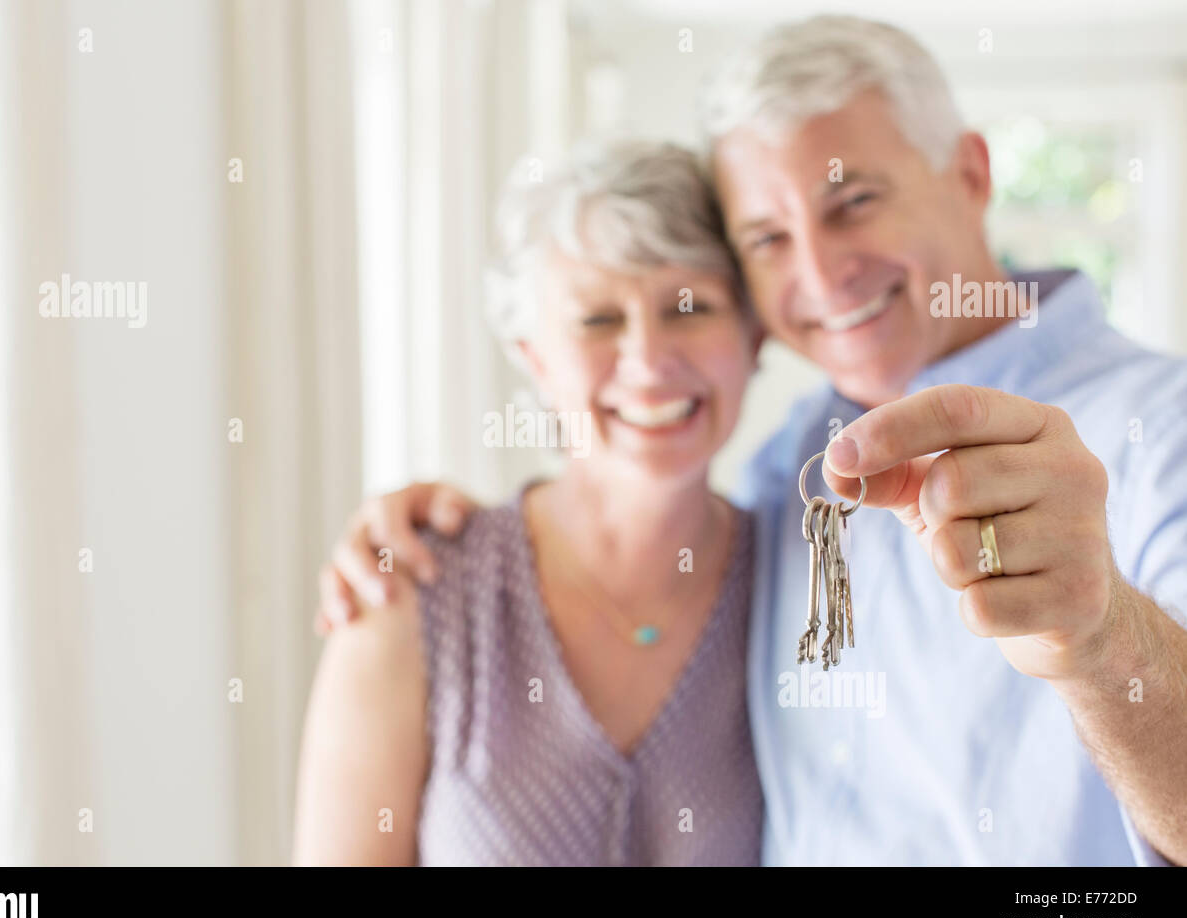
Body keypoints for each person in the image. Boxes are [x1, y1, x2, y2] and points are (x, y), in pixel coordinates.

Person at [318, 15, 1187, 865]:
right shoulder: (796, 469)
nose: (817, 274)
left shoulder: (1163, 429)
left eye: (854, 202)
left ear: (970, 170)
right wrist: (420, 526)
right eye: (768, 239)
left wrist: (1107, 638)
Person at [294, 141, 764, 865]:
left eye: (690, 307)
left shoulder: (802, 586)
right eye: (597, 320)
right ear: (534, 356)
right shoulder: (412, 594)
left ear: (753, 337)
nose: (648, 360)